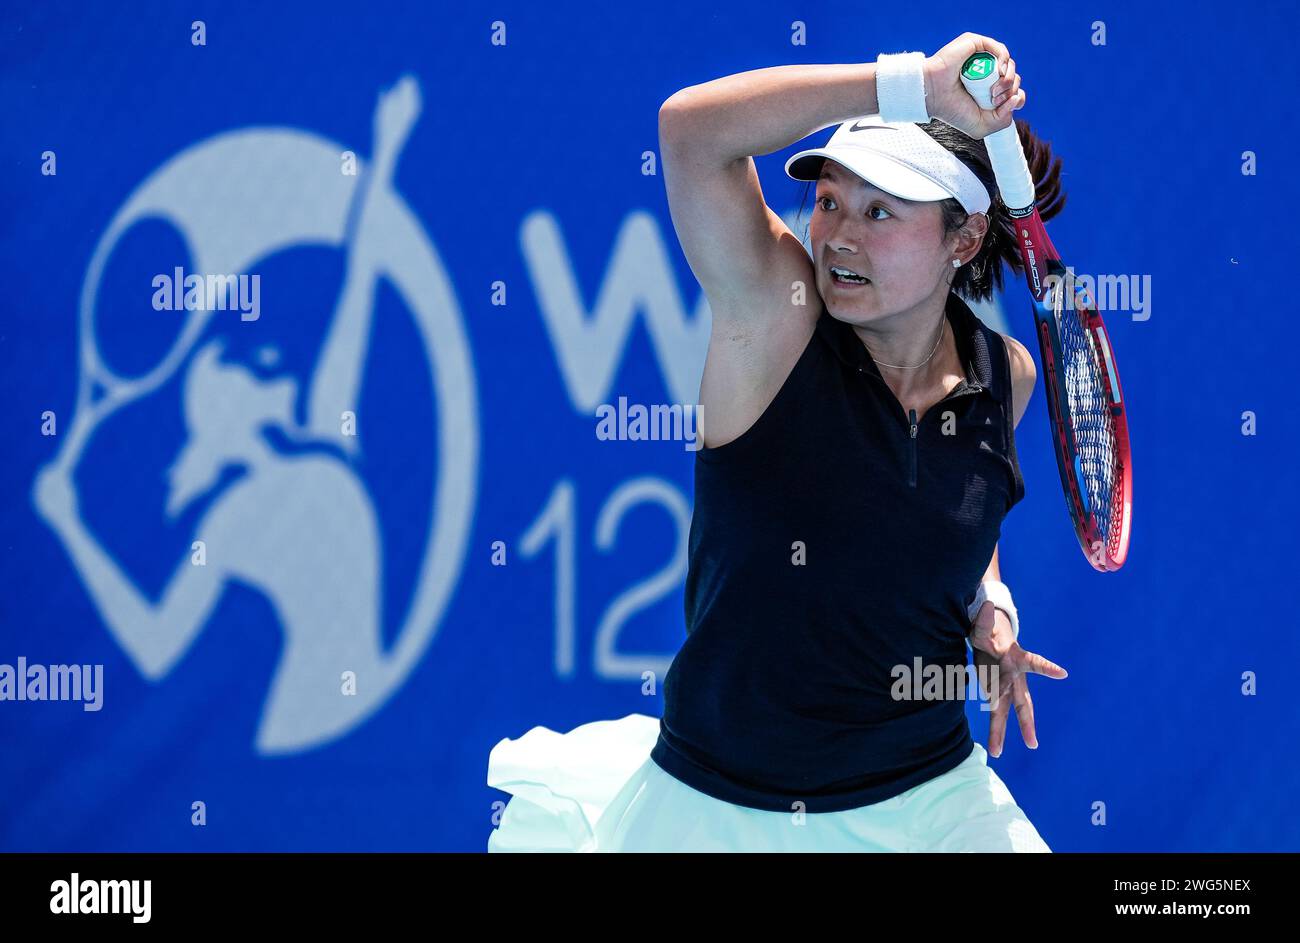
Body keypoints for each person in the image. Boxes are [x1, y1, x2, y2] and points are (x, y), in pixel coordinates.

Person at [488, 32, 1069, 852]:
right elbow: (689, 131)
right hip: (718, 804)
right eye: (830, 200)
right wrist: (908, 85)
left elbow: (958, 512)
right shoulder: (777, 314)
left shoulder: (1003, 376)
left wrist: (990, 607)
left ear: (963, 240)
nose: (839, 237)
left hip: (927, 794)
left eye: (881, 212)